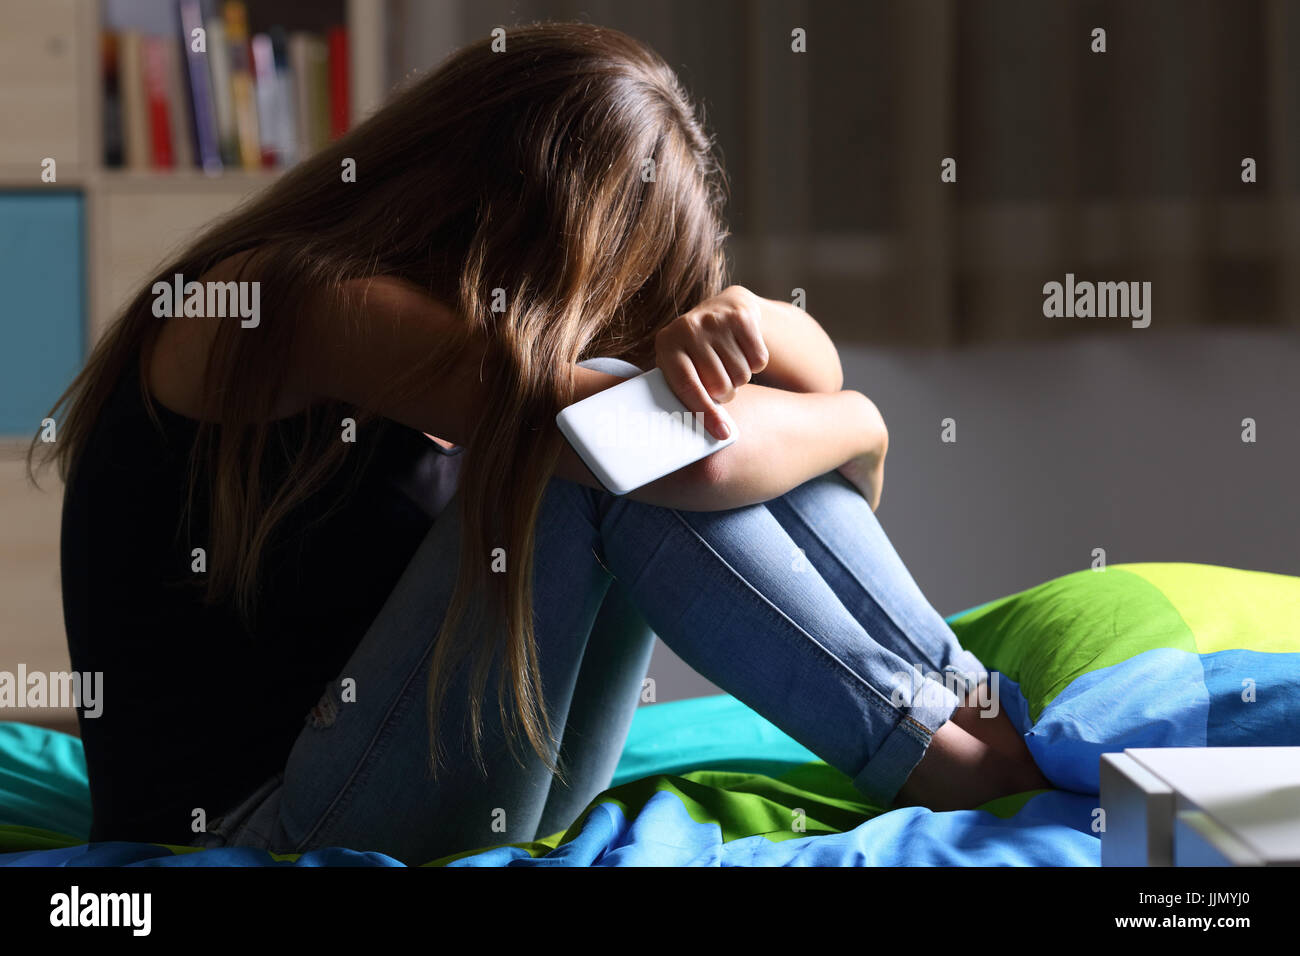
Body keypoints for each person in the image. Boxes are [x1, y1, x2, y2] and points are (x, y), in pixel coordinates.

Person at [33, 22, 1048, 863]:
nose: (598, 319)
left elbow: (792, 376)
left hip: (437, 767)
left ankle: (966, 704)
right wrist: (862, 427)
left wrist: (740, 317)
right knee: (607, 454)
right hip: (270, 827)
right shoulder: (296, 303)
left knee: (632, 422)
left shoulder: (465, 322)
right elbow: (679, 460)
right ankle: (948, 749)